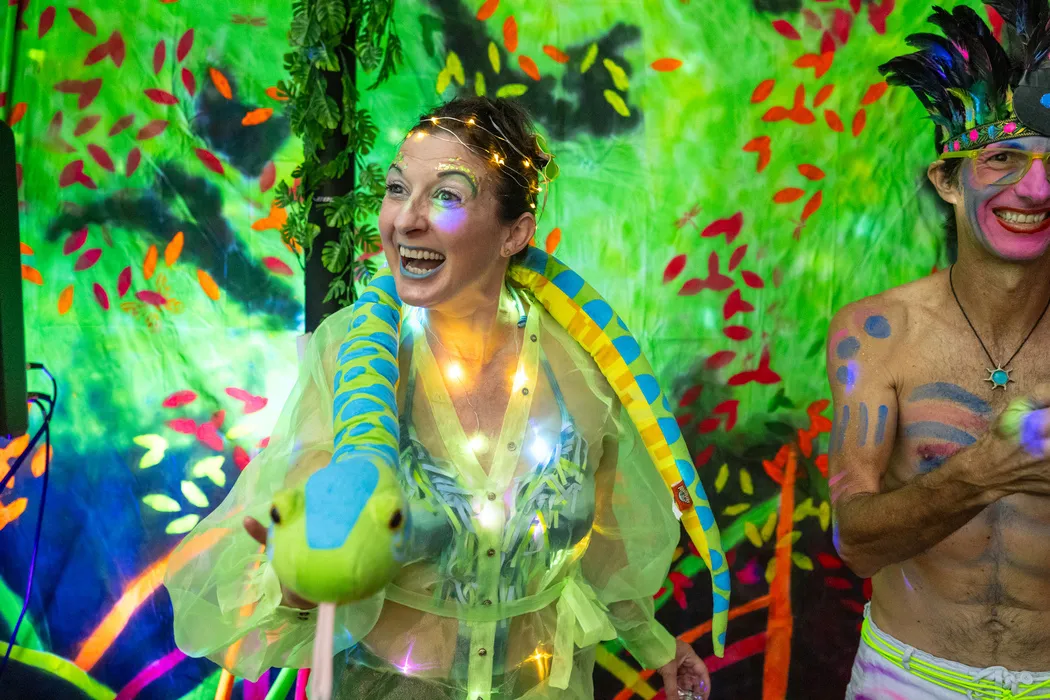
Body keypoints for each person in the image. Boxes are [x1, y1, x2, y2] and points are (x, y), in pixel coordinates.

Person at [164, 96, 712, 700]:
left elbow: (603, 545)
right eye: (398, 189)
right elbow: (312, 531)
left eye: (446, 196)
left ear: (516, 233)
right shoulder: (354, 354)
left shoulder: (582, 366)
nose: (405, 220)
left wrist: (656, 644)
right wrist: (300, 575)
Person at [827, 2, 1050, 698]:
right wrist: (983, 473)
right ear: (947, 180)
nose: (1037, 189)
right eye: (1003, 158)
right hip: (909, 679)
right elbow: (856, 543)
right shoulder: (876, 334)